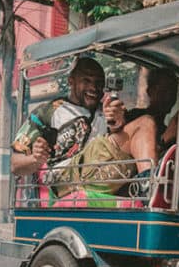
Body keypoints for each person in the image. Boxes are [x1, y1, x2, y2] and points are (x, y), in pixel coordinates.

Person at [12, 57, 160, 196]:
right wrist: (35, 159)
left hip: (104, 171)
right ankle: (151, 191)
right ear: (71, 81)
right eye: (86, 80)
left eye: (99, 82)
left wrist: (118, 124)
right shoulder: (48, 111)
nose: (93, 87)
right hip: (68, 178)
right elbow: (14, 164)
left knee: (146, 127)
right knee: (146, 123)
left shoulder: (108, 110)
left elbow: (122, 144)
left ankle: (148, 189)